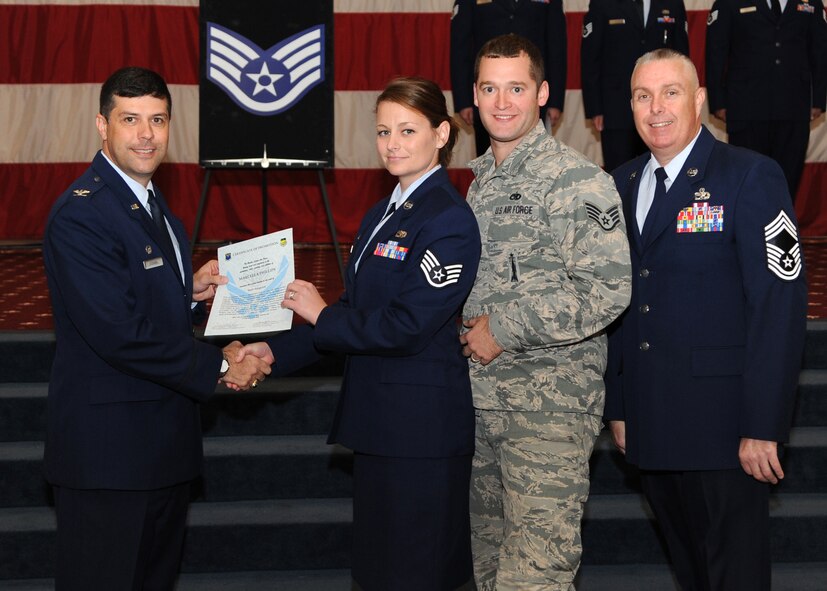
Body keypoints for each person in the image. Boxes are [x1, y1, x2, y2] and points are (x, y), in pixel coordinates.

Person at [237, 77, 481, 591]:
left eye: (408, 130)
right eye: (383, 131)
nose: (392, 143)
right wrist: (274, 353)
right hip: (380, 423)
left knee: (417, 573)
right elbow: (353, 314)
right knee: (378, 571)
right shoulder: (381, 213)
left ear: (441, 134)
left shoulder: (450, 219)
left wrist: (321, 313)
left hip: (421, 432)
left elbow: (406, 327)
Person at [42, 66, 271, 591]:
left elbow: (138, 300)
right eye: (130, 119)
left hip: (160, 449)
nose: (146, 134)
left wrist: (189, 296)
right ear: (103, 126)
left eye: (158, 119)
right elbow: (120, 333)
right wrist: (220, 363)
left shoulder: (153, 205)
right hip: (108, 459)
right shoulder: (83, 214)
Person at [605, 49, 807, 590]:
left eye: (671, 93)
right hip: (651, 419)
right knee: (691, 573)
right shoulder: (618, 184)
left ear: (698, 101)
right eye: (643, 96)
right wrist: (620, 405)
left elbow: (777, 305)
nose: (656, 109)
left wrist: (763, 424)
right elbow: (621, 305)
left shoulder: (750, 175)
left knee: (734, 576)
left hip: (726, 428)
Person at [459, 34, 632, 590]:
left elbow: (607, 289)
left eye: (516, 87)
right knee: (488, 569)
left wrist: (505, 328)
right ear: (475, 95)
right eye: (490, 87)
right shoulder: (477, 183)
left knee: (535, 576)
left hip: (548, 410)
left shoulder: (577, 180)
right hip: (479, 404)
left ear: (543, 94)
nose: (502, 101)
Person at [705, 0, 827, 201]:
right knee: (747, 178)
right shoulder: (729, 2)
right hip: (746, 106)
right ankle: (748, 231)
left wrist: (818, 100)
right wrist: (718, 102)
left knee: (787, 179)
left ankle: (782, 231)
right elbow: (715, 51)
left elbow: (820, 51)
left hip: (794, 106)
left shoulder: (810, 2)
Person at [581, 0, 689, 171]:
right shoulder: (602, 4)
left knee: (663, 169)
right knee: (620, 174)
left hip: (662, 108)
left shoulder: (673, 3)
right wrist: (595, 108)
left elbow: (682, 59)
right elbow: (591, 58)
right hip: (616, 107)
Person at [450, 0, 567, 156]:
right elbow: (460, 46)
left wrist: (555, 101)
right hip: (489, 93)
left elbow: (556, 45)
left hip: (529, 92)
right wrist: (463, 100)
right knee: (489, 161)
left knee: (533, 160)